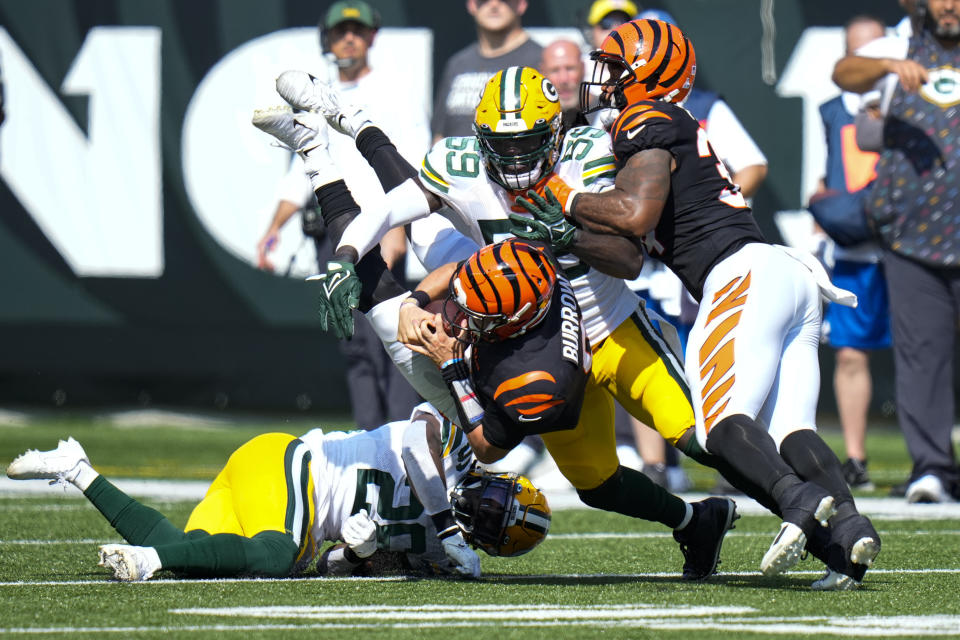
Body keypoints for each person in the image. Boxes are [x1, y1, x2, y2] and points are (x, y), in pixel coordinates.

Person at [252, 103, 741, 581]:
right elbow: (460, 279)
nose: (483, 505)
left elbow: (466, 445)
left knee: (378, 283)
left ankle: (315, 150)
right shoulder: (513, 348)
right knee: (420, 226)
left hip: (475, 377)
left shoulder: (527, 382)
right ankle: (350, 122)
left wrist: (448, 359)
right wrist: (418, 300)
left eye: (481, 515)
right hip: (483, 370)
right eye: (490, 510)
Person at [520, 18, 881, 589]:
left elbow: (634, 213)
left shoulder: (645, 120)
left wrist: (565, 198)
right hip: (782, 271)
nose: (603, 81)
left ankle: (800, 502)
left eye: (615, 69)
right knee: (789, 430)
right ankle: (850, 536)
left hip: (738, 275)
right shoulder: (674, 121)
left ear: (643, 76)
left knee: (719, 427)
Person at [4, 402, 553, 580]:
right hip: (295, 464)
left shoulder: (444, 555)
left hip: (272, 493)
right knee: (275, 555)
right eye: (492, 503)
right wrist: (447, 523)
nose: (479, 510)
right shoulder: (451, 446)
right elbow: (414, 443)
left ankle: (77, 470)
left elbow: (335, 567)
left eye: (488, 522)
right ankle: (145, 561)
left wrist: (362, 552)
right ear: (499, 482)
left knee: (193, 561)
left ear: (490, 544)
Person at [254, 0, 427, 429]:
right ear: (327, 39)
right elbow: (303, 167)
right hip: (334, 231)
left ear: (371, 37)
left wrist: (399, 228)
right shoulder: (317, 92)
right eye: (340, 31)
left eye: (357, 30)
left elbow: (411, 162)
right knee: (355, 344)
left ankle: (405, 439)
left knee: (393, 335)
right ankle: (371, 439)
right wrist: (273, 228)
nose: (349, 37)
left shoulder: (395, 91)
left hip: (379, 228)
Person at [832, 0, 960, 503]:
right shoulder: (897, 49)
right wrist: (886, 66)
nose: (949, 5)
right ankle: (931, 468)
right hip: (912, 238)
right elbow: (844, 72)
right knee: (921, 356)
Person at [813, 15, 891, 492]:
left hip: (913, 246)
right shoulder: (830, 110)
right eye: (855, 52)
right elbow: (821, 179)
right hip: (853, 249)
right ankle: (856, 457)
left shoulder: (916, 99)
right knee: (849, 355)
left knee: (932, 354)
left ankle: (937, 458)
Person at [432, 0, 543, 140]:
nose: (494, 5)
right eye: (483, 0)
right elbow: (439, 136)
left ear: (521, 4)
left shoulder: (541, 62)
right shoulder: (457, 64)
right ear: (472, 5)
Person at [540, 39, 586, 129]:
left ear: (583, 68)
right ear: (542, 72)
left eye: (570, 68)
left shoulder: (604, 114)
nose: (563, 79)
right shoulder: (535, 120)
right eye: (554, 70)